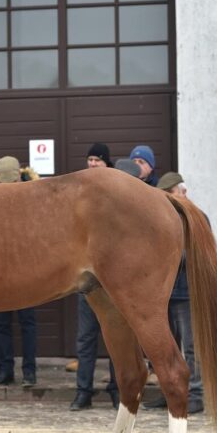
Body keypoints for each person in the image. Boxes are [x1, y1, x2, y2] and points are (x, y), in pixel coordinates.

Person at [143, 171, 204, 414]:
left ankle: (196, 393)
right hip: (165, 295)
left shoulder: (196, 218)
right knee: (166, 347)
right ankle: (168, 390)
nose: (183, 194)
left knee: (191, 346)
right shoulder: (159, 220)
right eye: (178, 191)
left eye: (180, 190)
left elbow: (196, 256)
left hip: (187, 293)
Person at [71, 144, 120, 411]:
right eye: (89, 159)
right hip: (88, 282)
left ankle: (117, 389)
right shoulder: (82, 193)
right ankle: (83, 391)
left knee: (117, 337)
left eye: (97, 160)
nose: (91, 164)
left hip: (112, 281)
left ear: (106, 164)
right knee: (86, 339)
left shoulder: (115, 193)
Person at [0, 156, 40, 387]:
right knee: (3, 324)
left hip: (24, 270)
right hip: (1, 270)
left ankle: (27, 371)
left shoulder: (32, 195)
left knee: (24, 324)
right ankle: (8, 370)